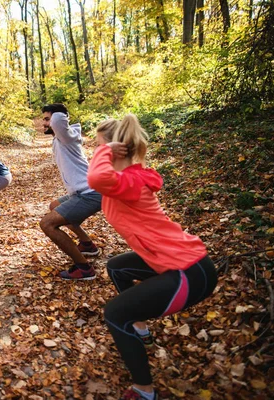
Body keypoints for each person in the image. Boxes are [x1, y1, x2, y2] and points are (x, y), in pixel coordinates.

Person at [87, 115, 218, 400]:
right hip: (185, 261)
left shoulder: (128, 181)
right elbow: (98, 183)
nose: (94, 154)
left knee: (114, 313)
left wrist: (104, 152)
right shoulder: (126, 180)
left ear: (115, 151)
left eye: (98, 148)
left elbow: (96, 176)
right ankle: (140, 327)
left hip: (189, 272)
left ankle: (144, 391)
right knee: (117, 267)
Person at [39, 103, 102, 280]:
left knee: (47, 224)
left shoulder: (65, 135)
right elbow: (58, 120)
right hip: (82, 192)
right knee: (55, 206)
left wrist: (58, 114)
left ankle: (84, 268)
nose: (44, 123)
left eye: (46, 119)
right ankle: (87, 245)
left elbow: (59, 119)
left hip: (90, 193)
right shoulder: (63, 137)